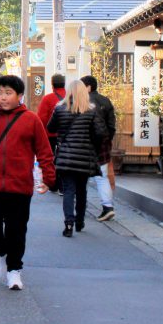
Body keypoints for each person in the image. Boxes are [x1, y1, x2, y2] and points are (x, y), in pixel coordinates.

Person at [0, 74, 55, 291]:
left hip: (20, 186)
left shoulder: (31, 119)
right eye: (0, 92)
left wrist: (49, 178)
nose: (3, 97)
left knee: (17, 230)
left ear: (19, 96)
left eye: (8, 93)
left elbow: (44, 151)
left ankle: (14, 270)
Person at [47, 80, 108, 236]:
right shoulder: (91, 111)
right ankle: (80, 221)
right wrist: (91, 143)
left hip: (66, 157)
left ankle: (68, 224)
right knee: (82, 190)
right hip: (84, 157)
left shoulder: (60, 109)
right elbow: (101, 133)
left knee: (68, 190)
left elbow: (50, 128)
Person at [83, 74, 117, 198]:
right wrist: (108, 139)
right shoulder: (106, 100)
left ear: (88, 88)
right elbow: (112, 124)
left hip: (87, 143)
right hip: (104, 142)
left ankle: (81, 206)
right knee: (102, 176)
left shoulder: (84, 102)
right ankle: (107, 206)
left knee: (82, 176)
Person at [37, 73, 67, 155]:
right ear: (64, 84)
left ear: (52, 85)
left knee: (50, 159)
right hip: (68, 136)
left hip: (50, 136)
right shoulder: (71, 97)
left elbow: (41, 118)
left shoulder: (47, 99)